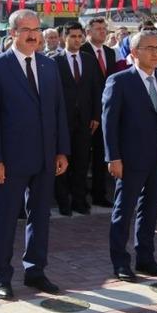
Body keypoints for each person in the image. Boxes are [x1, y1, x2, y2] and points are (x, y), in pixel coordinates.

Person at [0, 9, 70, 300]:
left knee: (40, 217)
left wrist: (61, 150)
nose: (33, 35)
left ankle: (35, 271)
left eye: (37, 29)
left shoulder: (48, 66)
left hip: (44, 158)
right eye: (26, 29)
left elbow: (59, 111)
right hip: (9, 161)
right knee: (4, 219)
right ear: (13, 33)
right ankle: (1, 275)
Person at [102, 29, 157, 281]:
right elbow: (109, 123)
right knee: (124, 210)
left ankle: (146, 258)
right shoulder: (120, 81)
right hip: (130, 158)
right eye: (150, 48)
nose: (156, 53)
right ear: (134, 52)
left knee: (150, 210)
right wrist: (113, 157)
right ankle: (120, 262)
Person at [53, 22, 101, 216]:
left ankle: (79, 201)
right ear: (64, 37)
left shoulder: (89, 60)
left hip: (85, 121)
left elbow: (97, 89)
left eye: (79, 36)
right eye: (72, 36)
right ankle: (63, 202)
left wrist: (96, 116)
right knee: (63, 161)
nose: (76, 40)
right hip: (62, 122)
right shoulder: (54, 61)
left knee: (82, 162)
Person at [82, 17, 117, 208]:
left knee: (102, 155)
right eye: (98, 29)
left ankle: (99, 194)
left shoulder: (110, 53)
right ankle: (78, 195)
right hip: (87, 113)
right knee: (82, 156)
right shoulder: (83, 51)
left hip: (107, 111)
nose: (102, 32)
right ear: (89, 32)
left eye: (104, 29)